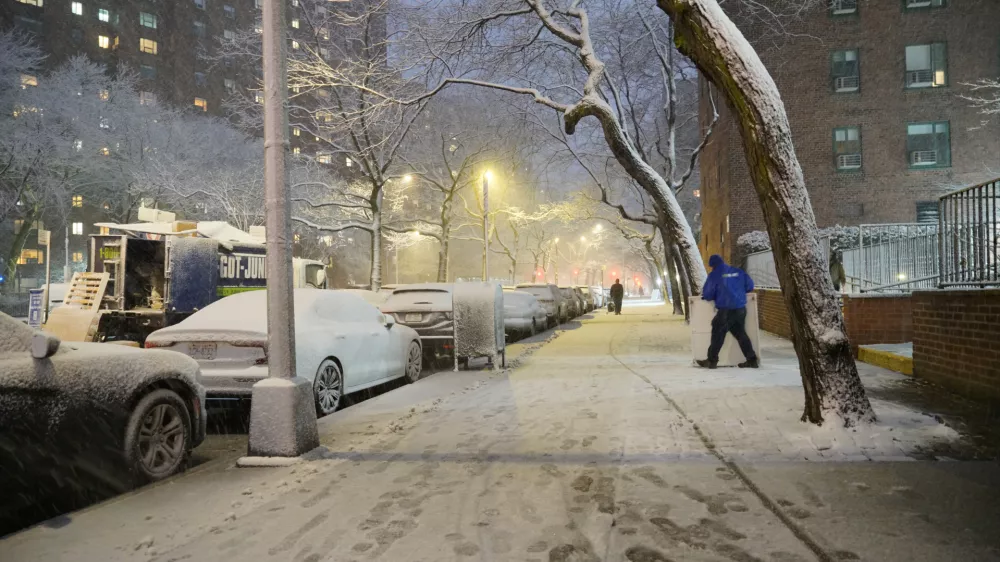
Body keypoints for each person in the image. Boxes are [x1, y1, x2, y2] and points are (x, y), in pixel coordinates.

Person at [696, 255, 759, 369]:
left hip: (725, 310)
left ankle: (711, 360)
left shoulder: (714, 275)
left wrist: (711, 296)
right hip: (740, 309)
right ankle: (752, 360)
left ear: (713, 266)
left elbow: (708, 294)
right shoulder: (738, 271)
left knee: (717, 335)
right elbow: (749, 286)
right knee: (740, 334)